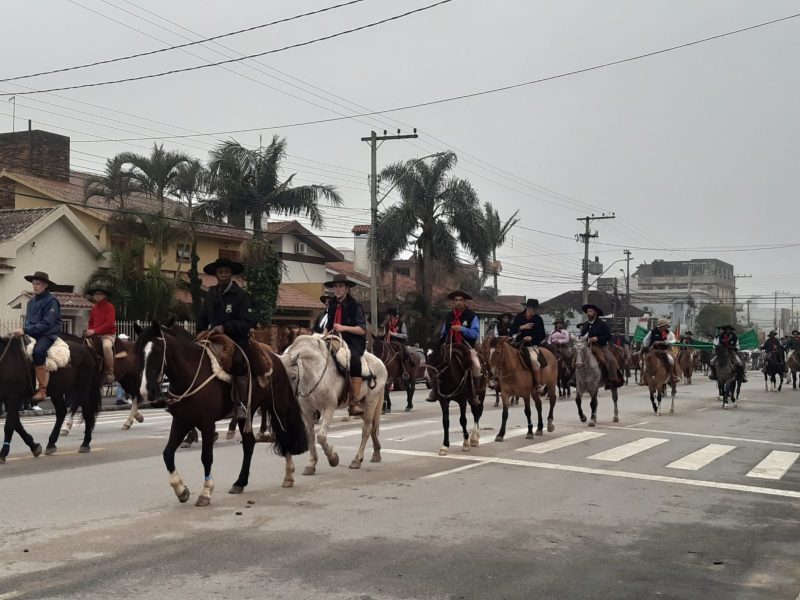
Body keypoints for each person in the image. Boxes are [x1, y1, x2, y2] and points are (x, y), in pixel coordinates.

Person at [196, 257, 257, 420]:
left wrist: (226, 327)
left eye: (226, 272)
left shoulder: (241, 296)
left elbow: (249, 321)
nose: (223, 274)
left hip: (236, 339)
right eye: (220, 272)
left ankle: (241, 404)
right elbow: (202, 317)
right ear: (216, 274)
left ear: (231, 274)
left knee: (237, 362)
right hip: (212, 338)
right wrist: (200, 332)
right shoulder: (210, 294)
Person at [13, 271, 62, 404]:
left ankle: (42, 390)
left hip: (47, 334)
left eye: (38, 284)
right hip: (32, 333)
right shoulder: (31, 302)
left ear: (45, 285)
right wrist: (23, 331)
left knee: (38, 352)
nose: (35, 286)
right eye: (34, 284)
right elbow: (28, 321)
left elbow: (47, 324)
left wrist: (26, 330)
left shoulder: (52, 301)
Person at [322, 273, 367, 416]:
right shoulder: (332, 305)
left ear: (347, 288)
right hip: (334, 339)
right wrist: (323, 335)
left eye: (341, 286)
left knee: (353, 360)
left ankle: (355, 401)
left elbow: (361, 329)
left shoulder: (355, 306)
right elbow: (329, 326)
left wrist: (343, 328)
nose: (337, 289)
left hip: (352, 341)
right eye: (335, 286)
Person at [428, 290, 482, 405]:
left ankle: (473, 394)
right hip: (449, 346)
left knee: (476, 366)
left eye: (460, 300)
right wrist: (439, 343)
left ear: (465, 301)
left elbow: (475, 334)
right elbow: (444, 333)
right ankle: (434, 391)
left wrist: (462, 329)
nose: (458, 302)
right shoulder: (449, 316)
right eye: (456, 300)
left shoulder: (472, 316)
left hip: (466, 347)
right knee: (434, 365)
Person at [577, 303, 623, 388]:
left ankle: (612, 380)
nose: (588, 313)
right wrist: (580, 338)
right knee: (576, 356)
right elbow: (582, 335)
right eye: (587, 311)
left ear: (595, 313)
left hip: (601, 346)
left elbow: (608, 336)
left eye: (590, 311)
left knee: (610, 359)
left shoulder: (602, 324)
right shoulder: (585, 324)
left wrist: (597, 338)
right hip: (586, 346)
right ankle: (573, 378)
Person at [86, 286, 117, 384]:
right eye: (96, 294)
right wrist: (89, 330)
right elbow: (91, 322)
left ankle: (110, 371)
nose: (97, 296)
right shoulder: (94, 308)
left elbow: (109, 323)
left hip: (108, 335)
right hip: (95, 335)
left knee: (106, 347)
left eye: (100, 294)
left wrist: (95, 330)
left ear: (104, 296)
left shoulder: (109, 306)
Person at [510, 298, 548, 375]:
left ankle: (537, 384)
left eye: (535, 309)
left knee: (534, 360)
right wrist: (522, 327)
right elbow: (512, 330)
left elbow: (542, 335)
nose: (534, 310)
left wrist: (531, 338)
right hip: (518, 343)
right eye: (532, 308)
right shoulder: (519, 316)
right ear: (527, 307)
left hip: (531, 346)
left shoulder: (538, 319)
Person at [641, 318, 677, 385]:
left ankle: (672, 376)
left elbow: (674, 340)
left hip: (664, 350)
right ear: (663, 326)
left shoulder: (668, 332)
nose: (668, 326)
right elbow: (645, 341)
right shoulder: (652, 332)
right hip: (653, 351)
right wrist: (649, 347)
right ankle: (644, 378)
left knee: (671, 360)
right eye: (666, 325)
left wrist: (664, 342)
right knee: (642, 363)